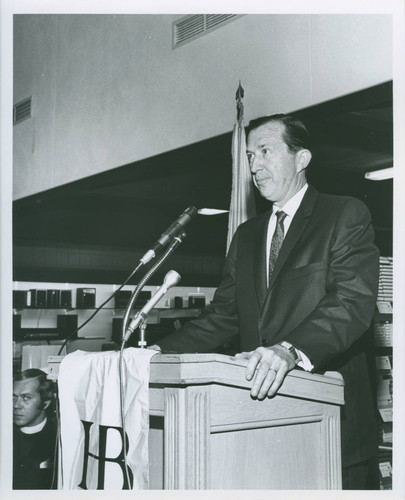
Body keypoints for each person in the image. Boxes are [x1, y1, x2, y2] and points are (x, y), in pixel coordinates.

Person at [153, 114, 380, 490]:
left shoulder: (343, 214)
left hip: (333, 427)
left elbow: (351, 303)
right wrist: (154, 353)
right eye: (249, 156)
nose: (254, 166)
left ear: (301, 158)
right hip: (260, 426)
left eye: (265, 151)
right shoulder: (246, 235)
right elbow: (222, 317)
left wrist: (290, 350)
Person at [13, 368, 57, 489]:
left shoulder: (60, 438)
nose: (16, 405)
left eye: (26, 398)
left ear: (46, 402)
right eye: (14, 397)